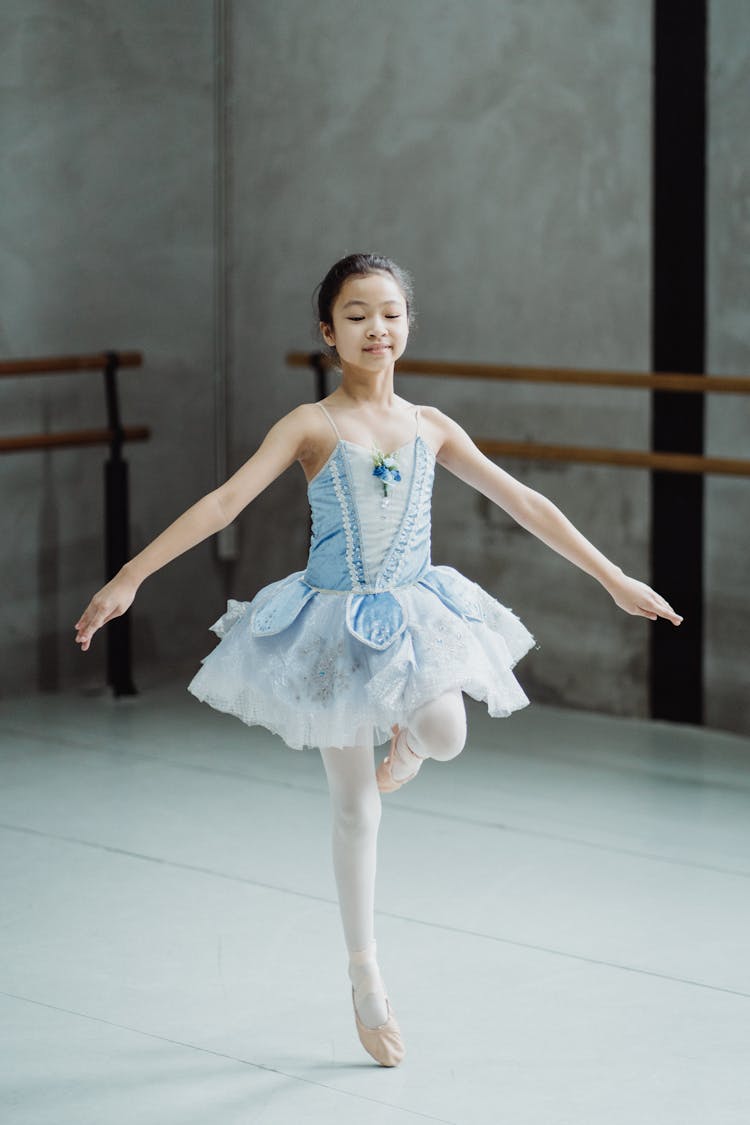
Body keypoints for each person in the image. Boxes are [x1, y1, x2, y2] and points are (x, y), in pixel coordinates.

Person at [74, 252, 682, 1067]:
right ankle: (366, 975)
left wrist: (612, 578)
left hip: (414, 610)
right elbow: (223, 503)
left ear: (408, 325)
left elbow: (524, 500)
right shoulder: (310, 425)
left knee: (449, 731)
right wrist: (129, 575)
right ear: (328, 332)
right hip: (329, 627)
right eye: (356, 315)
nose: (376, 328)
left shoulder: (432, 425)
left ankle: (407, 750)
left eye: (390, 312)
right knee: (356, 808)